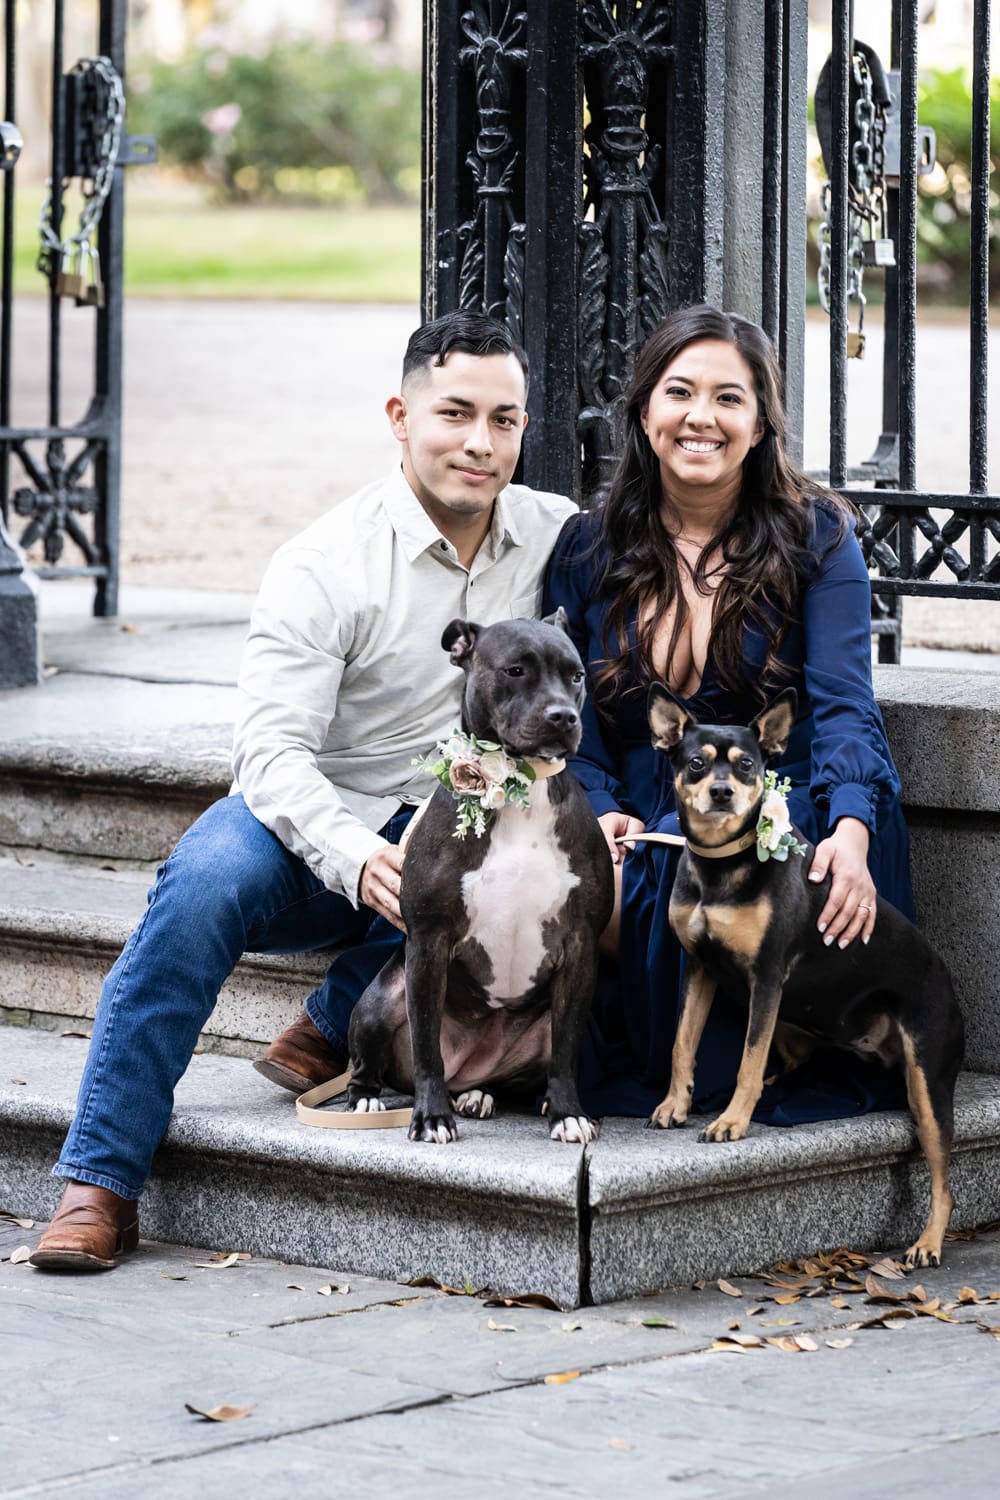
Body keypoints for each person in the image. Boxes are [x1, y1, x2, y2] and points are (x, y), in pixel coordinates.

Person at [30, 311, 575, 1272]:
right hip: (315, 824)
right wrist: (357, 855)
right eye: (454, 414)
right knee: (198, 890)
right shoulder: (325, 563)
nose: (480, 443)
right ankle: (100, 1181)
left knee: (495, 868)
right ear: (400, 416)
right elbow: (269, 754)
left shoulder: (555, 538)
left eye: (504, 418)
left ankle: (333, 1022)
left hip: (466, 829)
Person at [543, 304, 913, 1123]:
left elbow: (849, 706)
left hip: (799, 791)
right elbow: (575, 724)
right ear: (644, 411)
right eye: (679, 392)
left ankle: (789, 1051)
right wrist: (602, 811)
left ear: (760, 423)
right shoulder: (585, 547)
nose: (700, 417)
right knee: (648, 896)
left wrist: (853, 825)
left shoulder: (818, 535)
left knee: (797, 873)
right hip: (654, 806)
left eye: (729, 398)